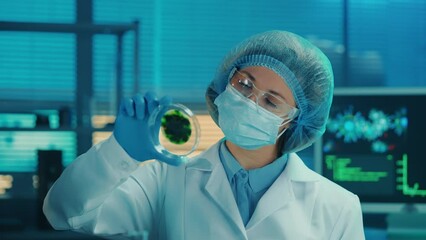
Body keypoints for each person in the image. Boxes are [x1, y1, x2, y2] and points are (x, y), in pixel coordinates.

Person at [43, 30, 365, 239]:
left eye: (270, 101)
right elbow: (65, 213)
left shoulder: (337, 207)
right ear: (226, 81)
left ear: (295, 123)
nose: (250, 101)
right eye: (245, 84)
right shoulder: (166, 181)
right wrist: (119, 152)